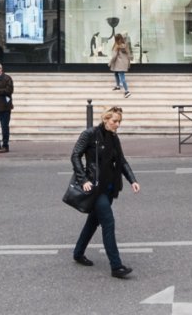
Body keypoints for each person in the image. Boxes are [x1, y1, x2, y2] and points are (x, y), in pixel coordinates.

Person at [68, 106, 141, 278]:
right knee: (108, 222)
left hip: (109, 187)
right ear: (105, 119)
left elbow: (121, 161)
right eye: (115, 121)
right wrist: (83, 179)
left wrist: (133, 180)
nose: (117, 125)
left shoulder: (114, 138)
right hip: (95, 187)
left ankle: (78, 253)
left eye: (119, 122)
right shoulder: (90, 134)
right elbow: (75, 155)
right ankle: (116, 266)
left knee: (93, 221)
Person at [109, 32, 132, 97]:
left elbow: (114, 56)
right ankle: (118, 86)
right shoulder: (125, 45)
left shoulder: (117, 46)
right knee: (116, 73)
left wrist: (110, 62)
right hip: (123, 63)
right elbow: (129, 55)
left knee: (122, 77)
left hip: (118, 63)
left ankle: (127, 91)